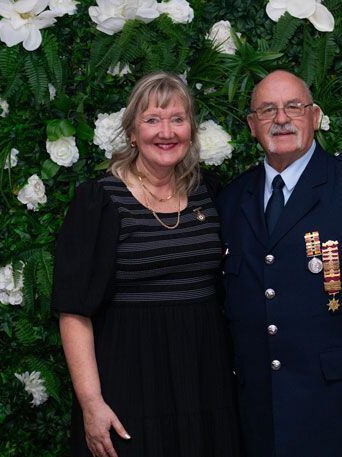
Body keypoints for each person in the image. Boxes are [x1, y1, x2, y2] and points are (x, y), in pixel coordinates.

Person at [216, 70, 342, 457]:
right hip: (262, 413)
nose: (281, 118)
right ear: (251, 125)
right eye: (267, 110)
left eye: (294, 107)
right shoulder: (232, 199)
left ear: (314, 117)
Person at [52, 72, 243, 457]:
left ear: (191, 129)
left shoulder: (211, 192)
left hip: (205, 379)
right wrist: (92, 404)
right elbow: (73, 311)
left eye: (177, 119)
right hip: (128, 382)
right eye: (152, 120)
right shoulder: (98, 201)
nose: (166, 132)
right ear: (132, 132)